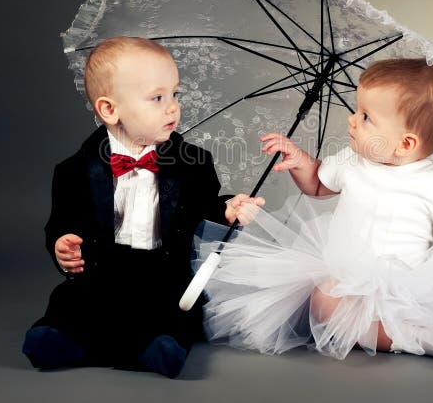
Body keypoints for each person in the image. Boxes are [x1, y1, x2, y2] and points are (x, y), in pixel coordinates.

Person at [199, 58, 433, 363]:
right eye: (357, 111)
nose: (352, 120)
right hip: (345, 277)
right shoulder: (351, 160)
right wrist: (298, 161)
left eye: (367, 117)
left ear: (406, 143)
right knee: (325, 302)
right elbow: (318, 185)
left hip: (411, 280)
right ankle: (416, 339)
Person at [22, 36, 263, 377]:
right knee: (71, 304)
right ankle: (66, 341)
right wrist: (63, 246)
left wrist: (227, 209)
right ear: (109, 109)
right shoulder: (74, 170)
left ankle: (156, 348)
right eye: (157, 98)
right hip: (100, 273)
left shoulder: (192, 164)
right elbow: (62, 222)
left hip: (162, 274)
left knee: (174, 309)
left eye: (175, 94)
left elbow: (204, 209)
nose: (172, 108)